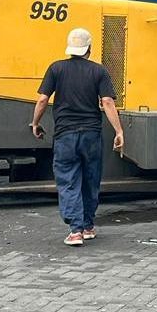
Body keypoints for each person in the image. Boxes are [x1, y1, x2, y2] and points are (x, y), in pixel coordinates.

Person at [31, 27, 125, 247]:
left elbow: (43, 100)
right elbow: (108, 102)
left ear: (70, 48)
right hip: (91, 134)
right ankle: (88, 226)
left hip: (65, 135)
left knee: (68, 179)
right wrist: (119, 131)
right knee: (91, 179)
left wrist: (35, 123)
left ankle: (75, 231)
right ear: (89, 48)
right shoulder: (99, 71)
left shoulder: (56, 69)